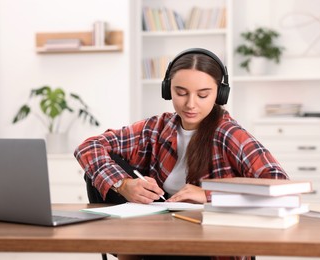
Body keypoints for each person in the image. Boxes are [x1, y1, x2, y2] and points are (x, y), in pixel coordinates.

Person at [74, 48, 288, 260]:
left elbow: (280, 186)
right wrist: (124, 185)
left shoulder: (229, 133)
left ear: (220, 94)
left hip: (206, 241)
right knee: (97, 173)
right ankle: (130, 250)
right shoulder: (157, 127)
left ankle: (132, 252)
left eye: (203, 95)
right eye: (181, 93)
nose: (190, 104)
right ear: (167, 90)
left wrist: (208, 196)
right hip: (158, 229)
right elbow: (88, 147)